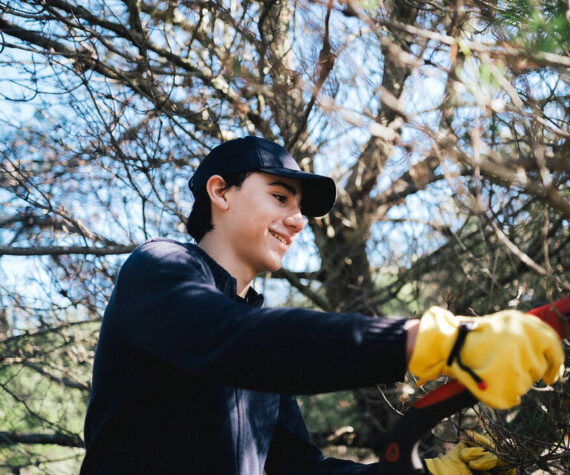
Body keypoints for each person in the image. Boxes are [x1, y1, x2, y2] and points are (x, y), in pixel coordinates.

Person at [80, 136, 564, 474]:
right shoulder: (159, 267)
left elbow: (301, 470)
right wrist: (432, 341)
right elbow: (231, 340)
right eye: (279, 197)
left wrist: (429, 473)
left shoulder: (259, 342)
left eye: (299, 209)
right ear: (219, 191)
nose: (296, 222)